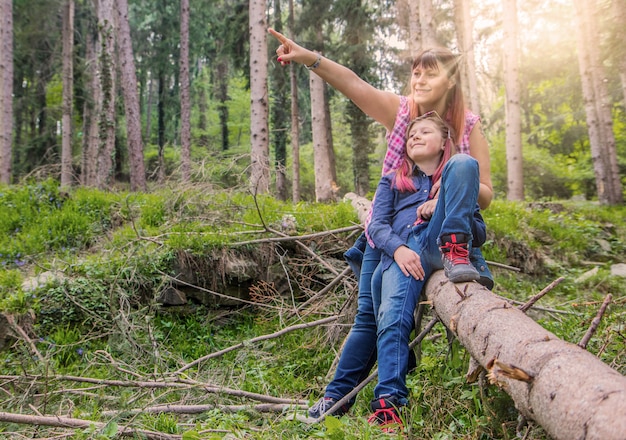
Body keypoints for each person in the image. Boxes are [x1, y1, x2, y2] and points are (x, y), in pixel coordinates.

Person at [268, 28, 493, 421]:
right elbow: (354, 84)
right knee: (369, 318)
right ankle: (335, 399)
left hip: (437, 226)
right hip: (389, 233)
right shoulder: (402, 112)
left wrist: (449, 191)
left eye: (429, 73)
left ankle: (390, 398)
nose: (418, 80)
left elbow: (487, 192)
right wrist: (309, 58)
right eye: (415, 73)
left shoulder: (468, 126)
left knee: (392, 314)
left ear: (450, 80)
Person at [365, 112, 486, 431]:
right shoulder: (392, 180)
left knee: (466, 162)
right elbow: (376, 225)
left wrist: (443, 208)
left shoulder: (456, 177)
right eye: (411, 134)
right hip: (407, 250)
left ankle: (456, 250)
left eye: (425, 131)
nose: (414, 136)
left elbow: (482, 232)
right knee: (392, 316)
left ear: (444, 141)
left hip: (442, 241)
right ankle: (389, 403)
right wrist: (398, 249)